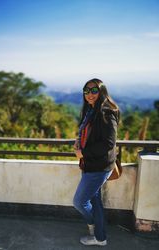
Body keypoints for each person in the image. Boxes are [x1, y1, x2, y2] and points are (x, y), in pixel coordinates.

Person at [73, 78, 120, 246]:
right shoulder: (91, 110)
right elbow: (89, 134)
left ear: (102, 92)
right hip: (91, 164)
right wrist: (79, 142)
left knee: (79, 202)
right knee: (95, 201)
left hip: (98, 167)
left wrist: (83, 152)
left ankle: (96, 228)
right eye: (87, 91)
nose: (90, 94)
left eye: (94, 90)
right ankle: (100, 237)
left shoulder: (106, 112)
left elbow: (108, 143)